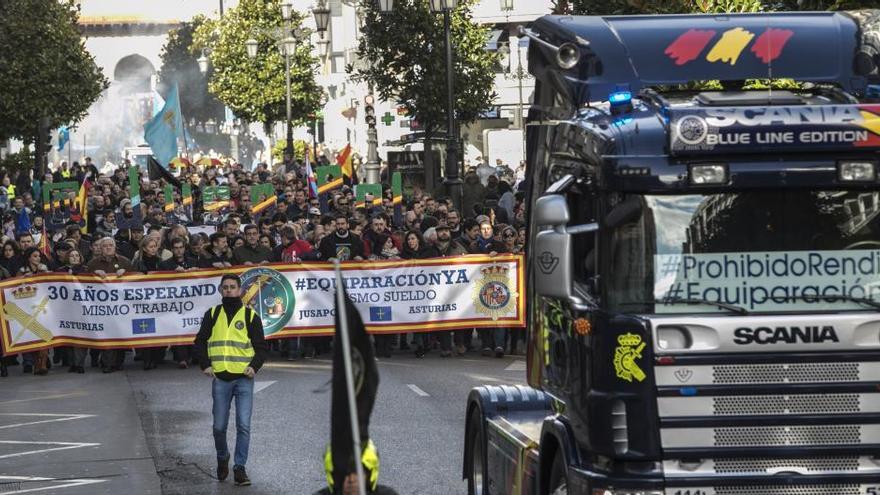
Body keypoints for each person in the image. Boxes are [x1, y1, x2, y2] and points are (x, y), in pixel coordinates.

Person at [193, 274, 267, 487]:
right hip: (221, 380)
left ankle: (239, 468)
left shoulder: (250, 316)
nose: (228, 291)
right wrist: (205, 364)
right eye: (225, 287)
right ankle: (223, 456)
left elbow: (261, 347)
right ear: (220, 290)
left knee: (243, 425)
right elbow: (199, 342)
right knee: (219, 427)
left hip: (244, 378)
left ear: (239, 290)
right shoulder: (213, 314)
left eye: (232, 287)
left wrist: (254, 367)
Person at [86, 237, 134, 373]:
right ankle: (107, 363)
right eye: (105, 246)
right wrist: (93, 275)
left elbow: (136, 281)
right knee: (107, 334)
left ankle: (118, 362)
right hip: (102, 308)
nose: (108, 247)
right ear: (100, 249)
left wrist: (126, 273)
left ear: (115, 247)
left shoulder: (125, 262)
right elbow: (82, 283)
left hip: (121, 306)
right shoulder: (93, 264)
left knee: (120, 333)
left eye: (111, 245)